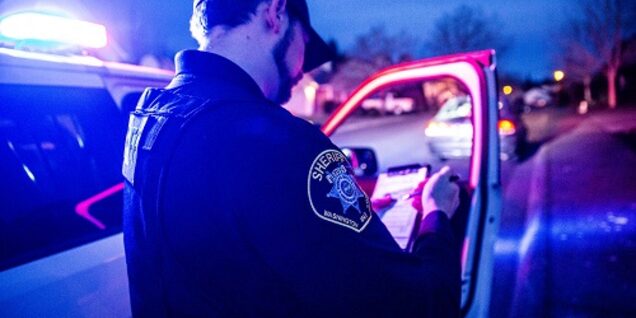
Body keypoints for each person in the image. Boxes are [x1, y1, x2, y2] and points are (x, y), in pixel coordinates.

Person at [122, 0, 461, 317]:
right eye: (306, 43)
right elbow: (414, 305)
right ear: (275, 12)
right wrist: (436, 215)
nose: (304, 69)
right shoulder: (280, 141)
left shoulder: (150, 115)